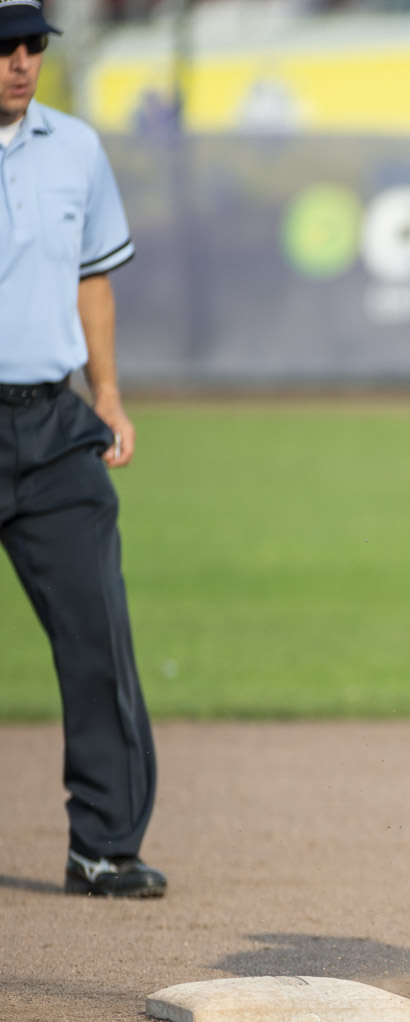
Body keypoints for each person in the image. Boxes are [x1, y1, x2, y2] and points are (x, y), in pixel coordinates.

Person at [0, 2, 162, 899]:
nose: (20, 62)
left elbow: (93, 274)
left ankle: (104, 844)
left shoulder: (76, 148)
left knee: (96, 636)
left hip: (57, 426)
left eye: (31, 46)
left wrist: (106, 394)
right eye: (4, 48)